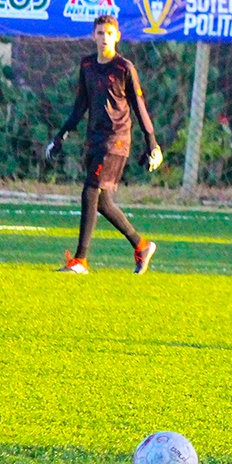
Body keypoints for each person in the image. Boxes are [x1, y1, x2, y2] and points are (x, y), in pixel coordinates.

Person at [46, 14, 163, 275]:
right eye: (100, 33)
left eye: (109, 33)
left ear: (117, 37)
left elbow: (139, 107)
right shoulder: (87, 65)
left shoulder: (124, 67)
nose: (104, 38)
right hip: (95, 139)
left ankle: (80, 260)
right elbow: (81, 105)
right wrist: (60, 136)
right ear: (93, 36)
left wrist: (152, 143)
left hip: (116, 140)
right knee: (103, 202)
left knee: (89, 191)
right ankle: (142, 245)